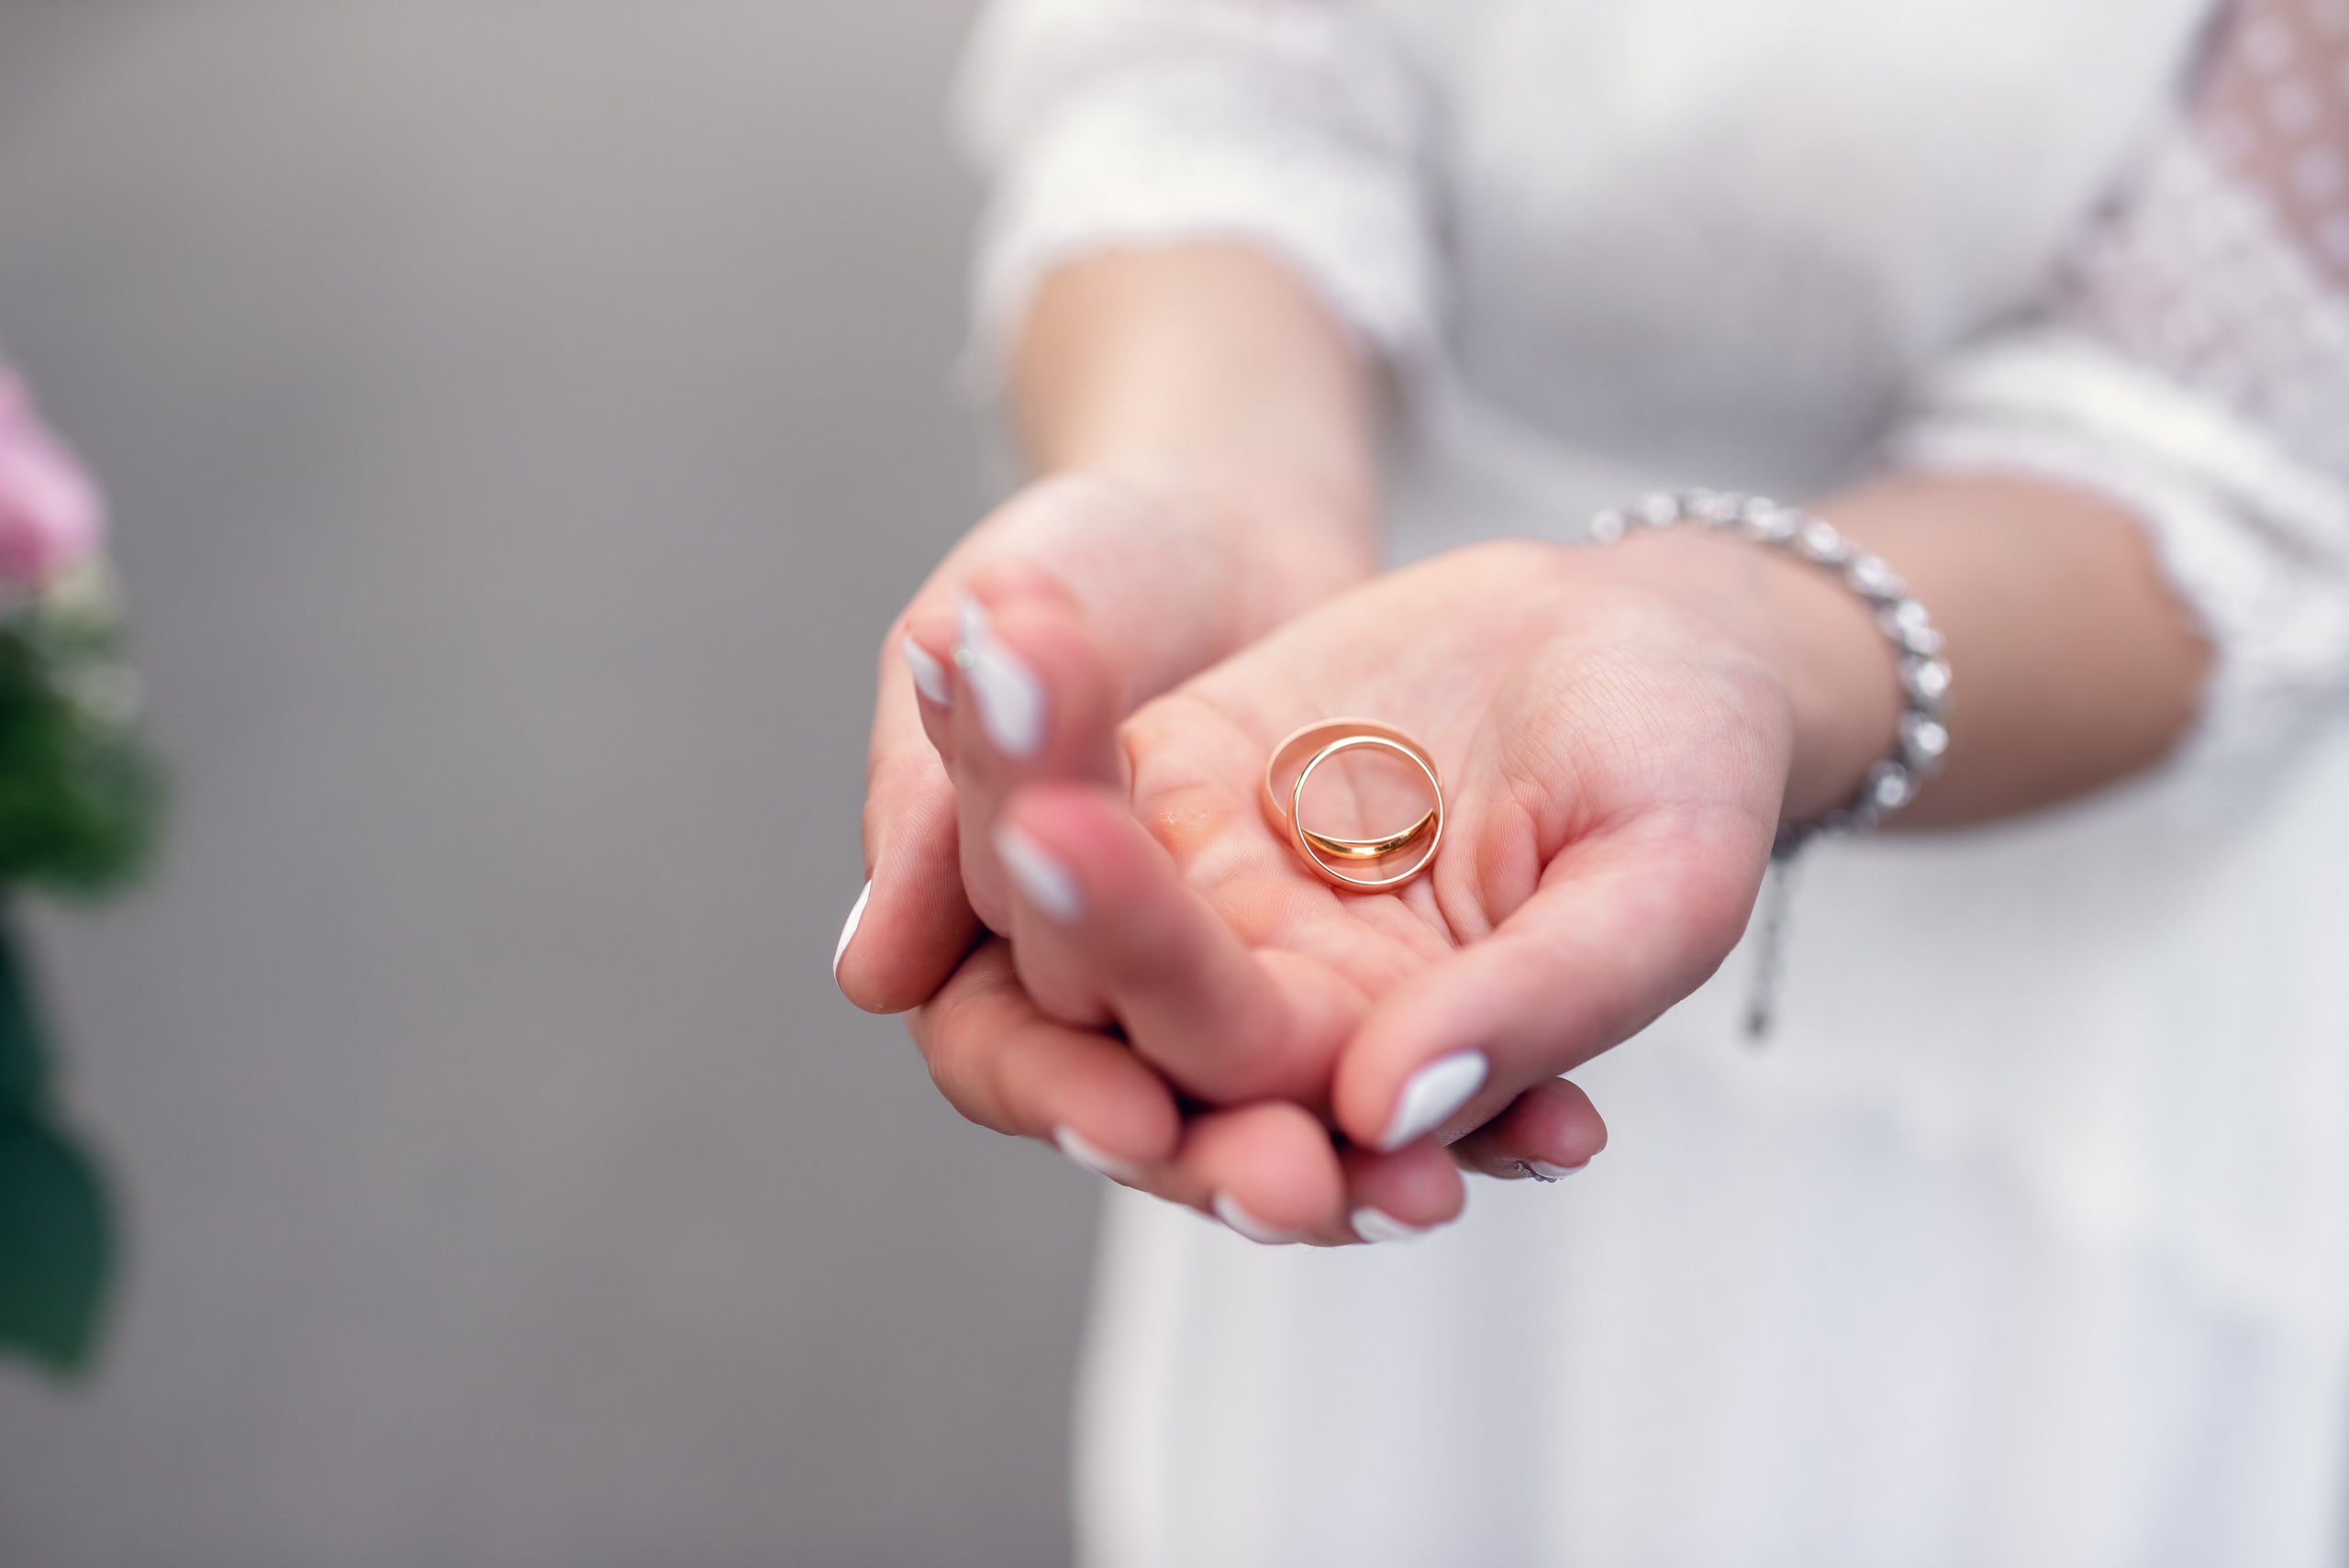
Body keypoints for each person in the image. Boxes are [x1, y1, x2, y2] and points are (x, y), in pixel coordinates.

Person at [840, 0, 2349, 1559]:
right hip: (1347, 786)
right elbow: (1212, 67)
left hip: (2052, 1012)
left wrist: (1748, 641)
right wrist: (1212, 478)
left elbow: (2229, 432)